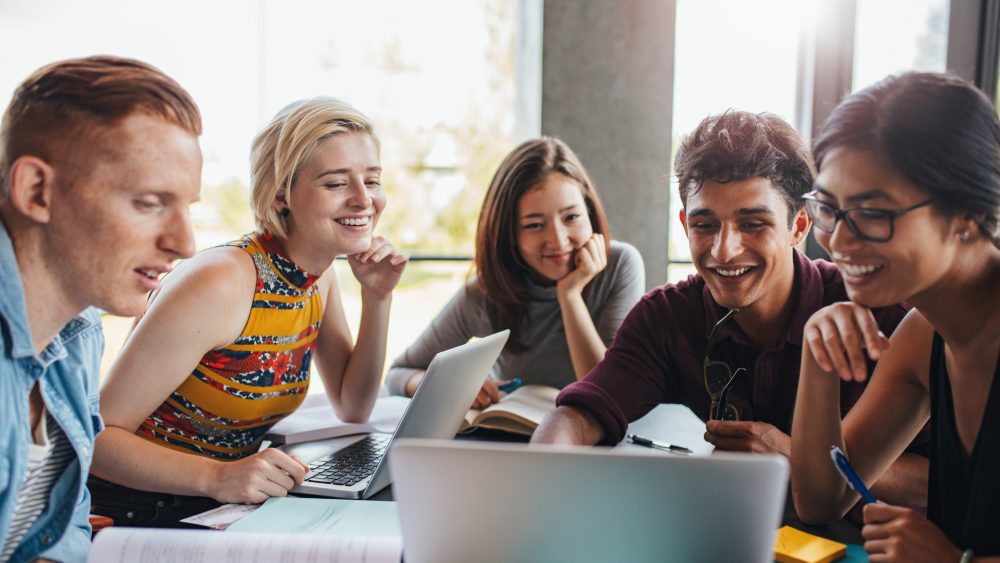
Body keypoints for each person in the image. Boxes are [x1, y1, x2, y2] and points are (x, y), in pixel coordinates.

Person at [531, 110, 929, 510]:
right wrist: (538, 489)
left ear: (799, 226)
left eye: (753, 224)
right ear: (685, 224)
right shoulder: (666, 317)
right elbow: (576, 418)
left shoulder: (885, 315)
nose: (724, 250)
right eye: (704, 226)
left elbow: (946, 482)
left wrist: (795, 457)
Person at [89, 97, 408, 527]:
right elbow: (96, 439)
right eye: (336, 184)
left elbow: (353, 406)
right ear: (281, 196)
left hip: (219, 505)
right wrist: (219, 476)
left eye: (372, 180)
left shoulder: (319, 275)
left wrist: (378, 297)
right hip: (137, 511)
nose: (363, 200)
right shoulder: (220, 281)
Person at [790, 73, 1000, 561]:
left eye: (871, 213)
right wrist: (816, 354)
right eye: (829, 209)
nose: (837, 242)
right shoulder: (923, 335)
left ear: (967, 211)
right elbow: (821, 499)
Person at [0, 57, 202, 562]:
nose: (185, 244)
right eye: (149, 202)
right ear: (36, 192)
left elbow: (60, 531)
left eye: (187, 207)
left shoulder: (80, 327)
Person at [385, 137, 645, 408]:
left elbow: (607, 391)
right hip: (510, 439)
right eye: (534, 225)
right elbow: (398, 375)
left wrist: (569, 295)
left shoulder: (620, 265)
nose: (557, 241)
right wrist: (451, 387)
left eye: (571, 217)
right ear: (509, 233)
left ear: (589, 212)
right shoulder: (486, 293)